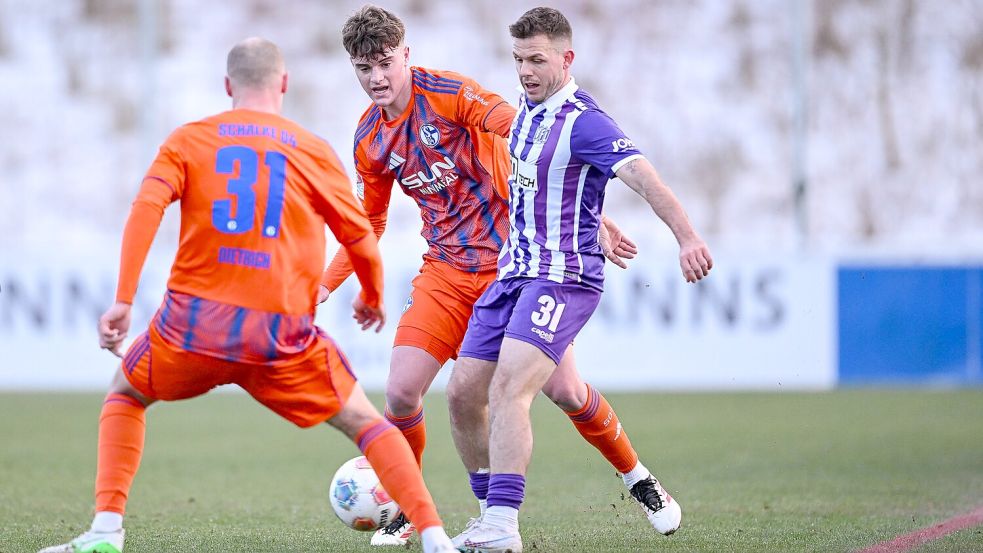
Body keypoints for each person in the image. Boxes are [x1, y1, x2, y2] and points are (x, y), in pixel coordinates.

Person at [38, 38, 458, 553]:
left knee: (125, 394)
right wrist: (370, 294)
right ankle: (435, 538)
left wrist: (124, 299)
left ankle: (106, 532)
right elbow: (359, 234)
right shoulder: (311, 150)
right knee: (369, 424)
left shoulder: (189, 139)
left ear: (227, 86)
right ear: (283, 84)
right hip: (279, 334)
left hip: (192, 326)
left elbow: (146, 209)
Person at [323, 6, 663, 547]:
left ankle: (637, 477)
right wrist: (323, 285)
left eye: (385, 63)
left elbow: (528, 134)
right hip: (446, 270)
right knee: (402, 393)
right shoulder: (369, 138)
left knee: (567, 391)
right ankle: (420, 510)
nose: (377, 78)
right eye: (364, 68)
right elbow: (370, 222)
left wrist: (588, 216)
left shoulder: (450, 94)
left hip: (517, 265)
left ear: (406, 55)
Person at [446, 7, 714, 552]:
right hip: (513, 274)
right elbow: (546, 185)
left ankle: (503, 525)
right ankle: (632, 479)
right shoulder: (525, 110)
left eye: (537, 60)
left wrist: (687, 238)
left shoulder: (586, 122)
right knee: (466, 393)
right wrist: (596, 219)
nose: (525, 70)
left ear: (566, 59)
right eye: (518, 59)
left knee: (508, 390)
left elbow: (646, 180)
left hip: (563, 279)